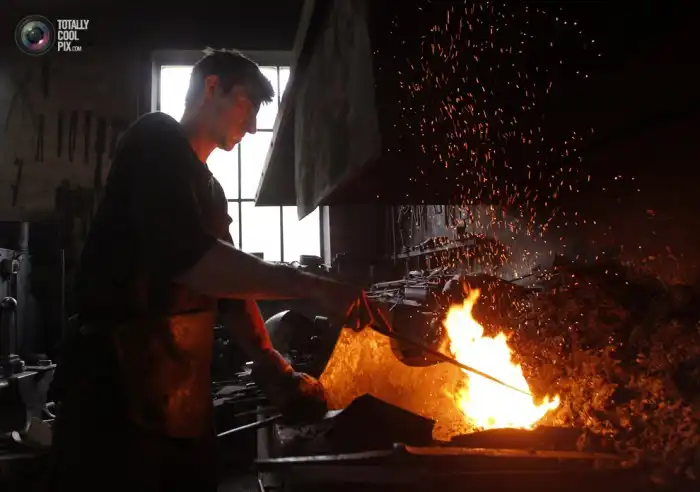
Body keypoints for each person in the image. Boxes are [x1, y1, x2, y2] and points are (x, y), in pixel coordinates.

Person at [47, 49, 359, 492]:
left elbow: (229, 294)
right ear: (212, 87)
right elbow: (189, 259)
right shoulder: (155, 138)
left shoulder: (210, 190)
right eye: (248, 104)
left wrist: (274, 366)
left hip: (179, 394)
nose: (253, 126)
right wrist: (312, 287)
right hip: (114, 393)